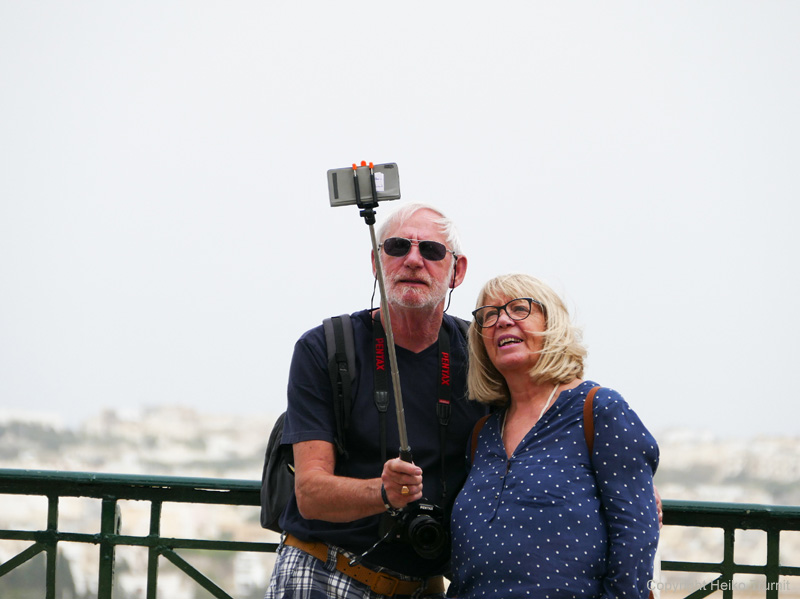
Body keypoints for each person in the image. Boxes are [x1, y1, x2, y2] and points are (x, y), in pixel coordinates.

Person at [264, 203, 487, 599]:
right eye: (398, 247)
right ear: (376, 260)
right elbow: (311, 494)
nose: (414, 260)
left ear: (458, 270)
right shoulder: (327, 348)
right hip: (323, 572)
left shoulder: (480, 356)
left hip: (423, 587)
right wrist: (383, 493)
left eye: (432, 251)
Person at [447, 273, 660, 599]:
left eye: (519, 308)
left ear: (552, 324)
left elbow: (635, 538)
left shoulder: (599, 410)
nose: (502, 320)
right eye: (489, 315)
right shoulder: (483, 433)